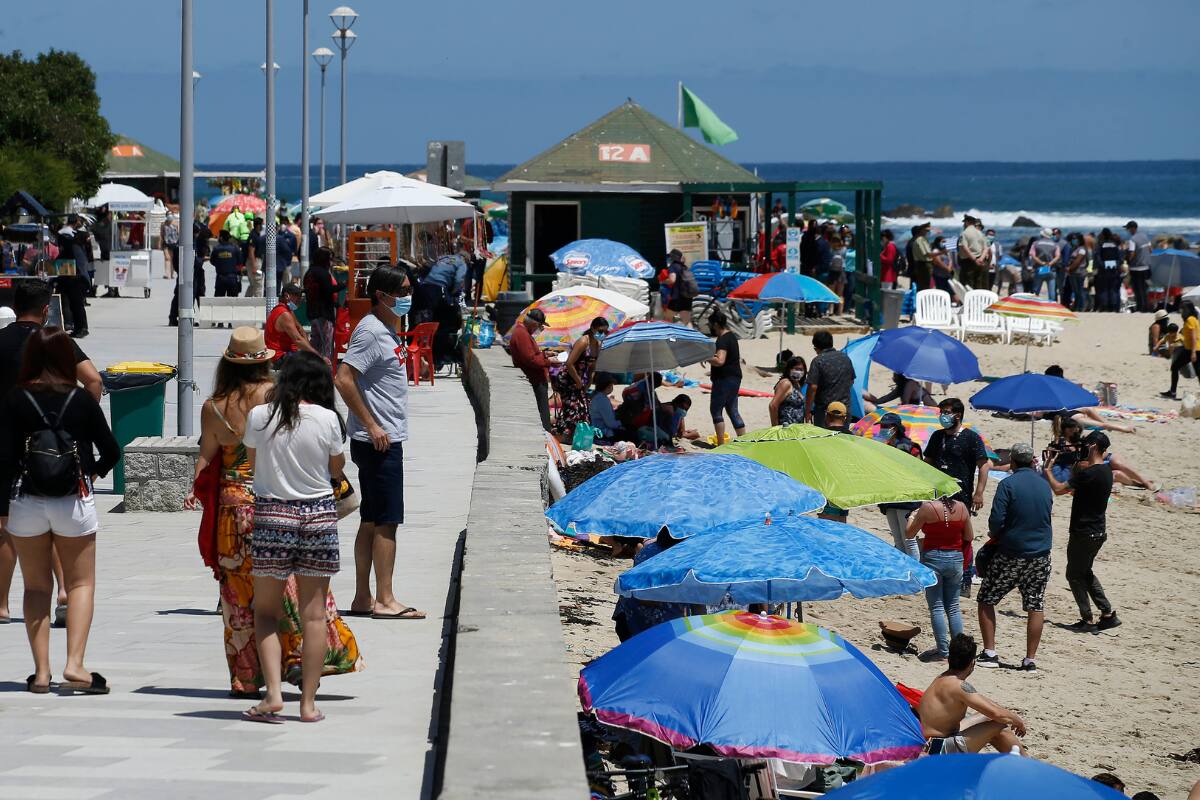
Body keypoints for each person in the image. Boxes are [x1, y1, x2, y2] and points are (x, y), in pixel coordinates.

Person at [184, 328, 361, 697]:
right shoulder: (275, 398)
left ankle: (248, 677)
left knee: (239, 598)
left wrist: (195, 487)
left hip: (233, 511)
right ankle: (300, 660)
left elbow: (206, 457)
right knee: (295, 591)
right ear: (265, 361)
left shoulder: (213, 406)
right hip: (272, 500)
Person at [1, 328, 119, 694]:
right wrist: (92, 471)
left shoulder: (15, 399)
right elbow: (112, 451)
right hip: (73, 500)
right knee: (81, 582)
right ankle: (76, 665)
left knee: (36, 586)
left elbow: (3, 458)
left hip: (26, 502)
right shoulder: (81, 401)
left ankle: (40, 673)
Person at [239, 351, 351, 724]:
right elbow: (337, 469)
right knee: (314, 615)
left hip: (273, 514)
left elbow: (254, 466)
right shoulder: (328, 419)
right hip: (318, 515)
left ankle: (272, 694)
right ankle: (308, 703)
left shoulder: (260, 416)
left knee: (266, 612)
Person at [0, 282, 103, 626]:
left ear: (15, 307)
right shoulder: (54, 343)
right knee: (58, 523)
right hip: (53, 448)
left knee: (5, 528)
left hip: (6, 447)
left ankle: (1, 605)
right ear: (46, 310)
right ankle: (62, 592)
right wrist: (78, 417)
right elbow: (94, 381)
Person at [334, 265, 425, 620]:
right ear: (383, 295)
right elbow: (343, 378)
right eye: (402, 291)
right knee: (387, 520)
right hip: (379, 440)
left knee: (371, 519)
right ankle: (386, 600)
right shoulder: (371, 332)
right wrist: (371, 424)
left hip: (383, 436)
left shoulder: (387, 328)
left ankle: (362, 597)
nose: (407, 297)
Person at [976, 442, 1053, 673]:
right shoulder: (1043, 485)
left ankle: (990, 652)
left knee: (987, 598)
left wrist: (995, 534)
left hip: (1012, 551)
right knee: (1035, 604)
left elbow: (996, 521)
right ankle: (1030, 660)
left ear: (1014, 462)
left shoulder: (1008, 484)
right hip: (1040, 554)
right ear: (1031, 461)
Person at [1045, 430, 1120, 634]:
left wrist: (1047, 470)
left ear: (1094, 446)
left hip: (1084, 532)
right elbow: (1078, 487)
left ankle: (1087, 619)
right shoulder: (1105, 472)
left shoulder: (1089, 473)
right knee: (1085, 572)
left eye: (1087, 444)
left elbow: (1059, 489)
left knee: (1074, 574)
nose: (1084, 447)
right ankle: (1106, 614)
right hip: (1097, 531)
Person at [918, 634, 1027, 755]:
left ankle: (1017, 760)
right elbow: (997, 714)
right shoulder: (959, 686)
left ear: (949, 659)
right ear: (972, 663)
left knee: (984, 716)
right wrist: (1018, 721)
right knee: (998, 725)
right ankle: (1028, 766)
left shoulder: (942, 678)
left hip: (931, 742)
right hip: (938, 750)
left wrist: (1009, 715)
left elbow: (985, 703)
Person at [907, 495, 973, 661]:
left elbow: (909, 534)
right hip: (956, 558)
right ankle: (958, 651)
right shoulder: (962, 507)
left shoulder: (928, 507)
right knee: (953, 607)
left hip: (934, 557)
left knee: (936, 607)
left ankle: (943, 651)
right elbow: (969, 536)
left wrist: (913, 517)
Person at [611, 528, 690, 641]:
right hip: (642, 618)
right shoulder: (681, 556)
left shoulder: (648, 550)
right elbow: (642, 594)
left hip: (629, 616)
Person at [924, 398, 989, 512]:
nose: (943, 416)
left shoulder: (972, 438)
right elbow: (928, 461)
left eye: (947, 413)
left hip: (961, 495)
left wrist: (979, 493)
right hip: (937, 493)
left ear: (958, 416)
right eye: (942, 412)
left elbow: (983, 466)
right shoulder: (937, 436)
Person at [551, 317, 609, 439]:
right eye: (600, 331)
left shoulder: (598, 345)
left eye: (605, 332)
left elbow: (592, 366)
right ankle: (562, 435)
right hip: (568, 378)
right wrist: (578, 380)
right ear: (592, 328)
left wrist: (589, 381)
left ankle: (572, 436)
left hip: (580, 381)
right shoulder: (583, 342)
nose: (602, 334)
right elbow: (569, 363)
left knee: (584, 409)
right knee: (572, 408)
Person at [875, 413, 923, 558]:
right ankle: (904, 572)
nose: (882, 430)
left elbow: (919, 471)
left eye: (885, 426)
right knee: (898, 539)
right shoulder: (883, 447)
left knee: (909, 539)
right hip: (890, 497)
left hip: (907, 498)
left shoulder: (911, 447)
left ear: (895, 428)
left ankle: (916, 573)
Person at [508, 308, 555, 431]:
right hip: (534, 380)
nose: (540, 329)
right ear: (534, 324)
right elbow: (531, 360)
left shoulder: (523, 333)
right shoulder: (521, 334)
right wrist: (549, 362)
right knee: (542, 413)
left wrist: (544, 354)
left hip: (536, 379)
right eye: (540, 326)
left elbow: (532, 355)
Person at [708, 310, 745, 444]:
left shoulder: (723, 339)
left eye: (710, 324)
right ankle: (743, 441)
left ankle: (721, 444)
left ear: (716, 324)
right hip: (735, 378)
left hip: (724, 379)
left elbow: (720, 360)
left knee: (716, 410)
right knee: (732, 409)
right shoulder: (731, 336)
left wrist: (705, 357)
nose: (709, 327)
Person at [804, 330, 855, 426]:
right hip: (844, 410)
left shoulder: (818, 361)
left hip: (825, 413)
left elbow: (812, 388)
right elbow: (851, 381)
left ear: (816, 348)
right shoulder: (846, 358)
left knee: (824, 439)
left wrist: (807, 410)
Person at [265, 284, 323, 368]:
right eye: (297, 296)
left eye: (300, 296)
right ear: (286, 296)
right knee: (314, 365)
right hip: (279, 357)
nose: (300, 299)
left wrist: (309, 351)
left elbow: (300, 329)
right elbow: (298, 340)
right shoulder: (284, 314)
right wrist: (318, 356)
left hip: (290, 352)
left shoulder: (288, 311)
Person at [303, 246, 339, 364]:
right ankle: (325, 370)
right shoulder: (322, 273)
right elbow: (328, 290)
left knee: (316, 342)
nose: (332, 262)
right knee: (326, 345)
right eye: (330, 259)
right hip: (323, 314)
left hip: (314, 313)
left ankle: (311, 366)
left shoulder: (310, 272)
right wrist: (344, 284)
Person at [55, 215, 89, 338]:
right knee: (75, 304)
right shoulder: (75, 238)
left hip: (75, 276)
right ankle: (79, 328)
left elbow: (65, 256)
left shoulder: (68, 239)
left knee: (76, 303)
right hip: (75, 275)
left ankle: (82, 328)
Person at [1161, 300, 1200, 400]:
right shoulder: (1191, 319)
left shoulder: (1191, 320)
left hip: (1194, 350)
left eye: (1183, 308)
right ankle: (1172, 392)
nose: (1181, 310)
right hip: (1189, 349)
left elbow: (1194, 337)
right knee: (1175, 367)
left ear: (1188, 309)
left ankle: (1172, 392)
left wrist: (1193, 353)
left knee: (1197, 372)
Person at [769, 356, 807, 426]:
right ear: (789, 369)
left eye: (801, 369)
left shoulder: (797, 384)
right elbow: (773, 406)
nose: (798, 372)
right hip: (785, 427)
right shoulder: (786, 383)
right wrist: (775, 428)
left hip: (796, 428)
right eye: (796, 369)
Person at [865, 371, 935, 408]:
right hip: (919, 410)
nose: (893, 378)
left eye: (894, 376)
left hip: (931, 410)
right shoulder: (901, 387)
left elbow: (905, 403)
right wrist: (868, 398)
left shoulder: (909, 384)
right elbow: (885, 399)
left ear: (900, 377)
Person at [1124, 221, 1152, 313]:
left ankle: (1140, 308)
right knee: (1144, 288)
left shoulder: (1132, 239)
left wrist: (1127, 260)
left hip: (1136, 268)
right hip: (1146, 267)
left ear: (1132, 228)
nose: (1128, 231)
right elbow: (1150, 250)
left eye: (1128, 229)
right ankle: (1146, 307)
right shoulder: (1144, 236)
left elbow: (1131, 253)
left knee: (1137, 289)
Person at [1094, 228, 1124, 312]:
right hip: (1114, 270)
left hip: (1103, 271)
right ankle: (1114, 307)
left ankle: (1105, 306)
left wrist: (1103, 266)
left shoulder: (1101, 245)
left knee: (1104, 289)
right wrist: (1116, 265)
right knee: (1114, 289)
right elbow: (1120, 258)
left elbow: (1098, 258)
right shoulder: (1115, 245)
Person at [663, 249, 695, 326]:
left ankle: (667, 335)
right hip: (687, 297)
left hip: (677, 297)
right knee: (686, 322)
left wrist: (663, 281)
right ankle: (690, 335)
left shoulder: (673, 266)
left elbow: (672, 280)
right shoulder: (685, 267)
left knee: (667, 319)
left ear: (672, 258)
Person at [957, 214, 988, 290]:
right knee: (978, 284)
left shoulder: (964, 233)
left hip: (968, 262)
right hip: (980, 261)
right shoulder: (981, 233)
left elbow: (965, 247)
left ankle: (969, 301)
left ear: (967, 222)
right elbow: (986, 248)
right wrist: (980, 259)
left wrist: (974, 259)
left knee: (967, 286)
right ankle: (977, 301)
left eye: (964, 222)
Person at [1028, 228, 1060, 300]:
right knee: (1052, 291)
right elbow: (1057, 256)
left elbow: (1032, 255)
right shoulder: (1055, 244)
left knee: (1036, 290)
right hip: (1050, 268)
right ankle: (1051, 306)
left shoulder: (1036, 243)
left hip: (1040, 268)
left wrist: (1041, 263)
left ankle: (1034, 305)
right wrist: (1050, 263)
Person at [210, 230, 243, 297]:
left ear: (221, 238)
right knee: (233, 303)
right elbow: (240, 263)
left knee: (218, 300)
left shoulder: (216, 249)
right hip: (233, 279)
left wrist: (220, 265)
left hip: (220, 278)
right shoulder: (235, 248)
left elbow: (212, 261)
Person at [1062, 233, 1087, 312]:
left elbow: (1077, 261)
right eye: (1073, 239)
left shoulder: (1082, 249)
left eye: (1075, 239)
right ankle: (1077, 306)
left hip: (1079, 272)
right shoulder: (1075, 249)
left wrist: (1069, 268)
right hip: (1073, 273)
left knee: (1080, 291)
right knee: (1076, 291)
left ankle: (1082, 307)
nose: (1074, 240)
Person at [909, 223, 933, 291]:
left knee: (923, 286)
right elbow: (927, 254)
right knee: (923, 287)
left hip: (919, 266)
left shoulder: (921, 240)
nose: (928, 232)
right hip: (921, 266)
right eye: (927, 231)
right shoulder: (919, 240)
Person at [275, 216, 298, 287]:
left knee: (286, 283)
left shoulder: (291, 236)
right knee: (277, 283)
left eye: (284, 223)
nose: (283, 225)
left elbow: (294, 250)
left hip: (287, 263)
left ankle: (286, 296)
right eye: (282, 223)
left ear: (287, 224)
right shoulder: (276, 235)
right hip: (277, 263)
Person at [246, 217, 265, 297]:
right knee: (258, 282)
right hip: (255, 261)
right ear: (258, 225)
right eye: (262, 225)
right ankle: (259, 301)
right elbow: (251, 251)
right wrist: (254, 266)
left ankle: (246, 300)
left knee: (253, 284)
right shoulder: (253, 236)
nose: (262, 227)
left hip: (256, 261)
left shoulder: (256, 234)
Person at [162, 213, 179, 280]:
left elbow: (179, 233)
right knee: (167, 258)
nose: (169, 216)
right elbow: (162, 234)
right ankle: (167, 274)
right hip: (166, 243)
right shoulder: (163, 224)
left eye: (170, 214)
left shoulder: (176, 223)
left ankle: (171, 274)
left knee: (172, 259)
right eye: (168, 214)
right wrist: (160, 243)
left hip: (174, 243)